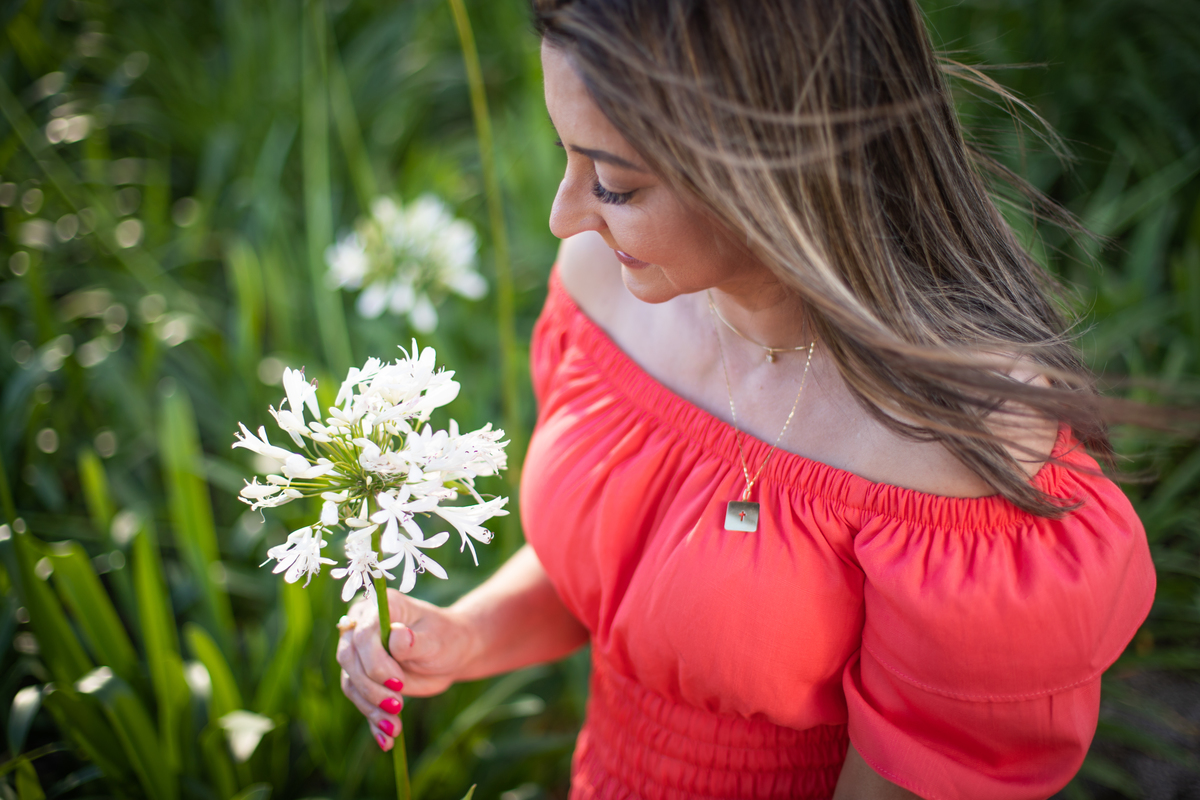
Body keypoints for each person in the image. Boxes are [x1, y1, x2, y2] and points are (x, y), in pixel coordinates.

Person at [336, 1, 1157, 797]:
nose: (562, 218)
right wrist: (463, 635)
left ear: (775, 169)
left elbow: (918, 775)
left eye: (614, 184)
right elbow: (620, 578)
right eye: (566, 152)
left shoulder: (959, 439)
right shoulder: (606, 287)